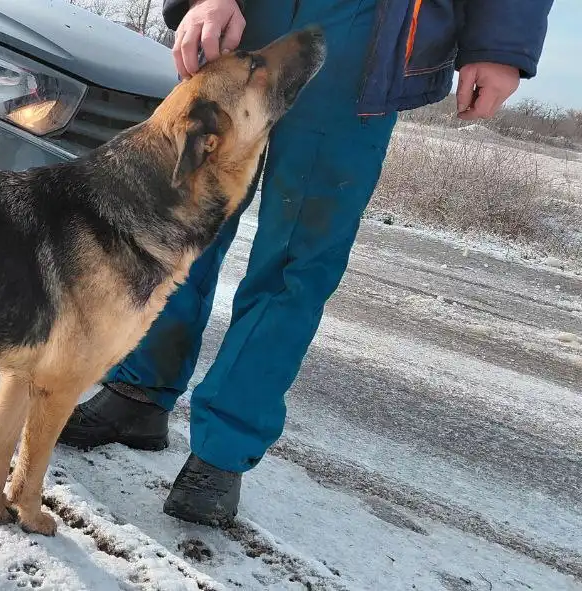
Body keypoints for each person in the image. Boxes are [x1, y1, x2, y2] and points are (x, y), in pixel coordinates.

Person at [58, 0, 554, 525]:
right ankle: (139, 388)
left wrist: (501, 44)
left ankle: (223, 450)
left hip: (369, 29)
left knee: (299, 253)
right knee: (182, 214)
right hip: (251, 12)